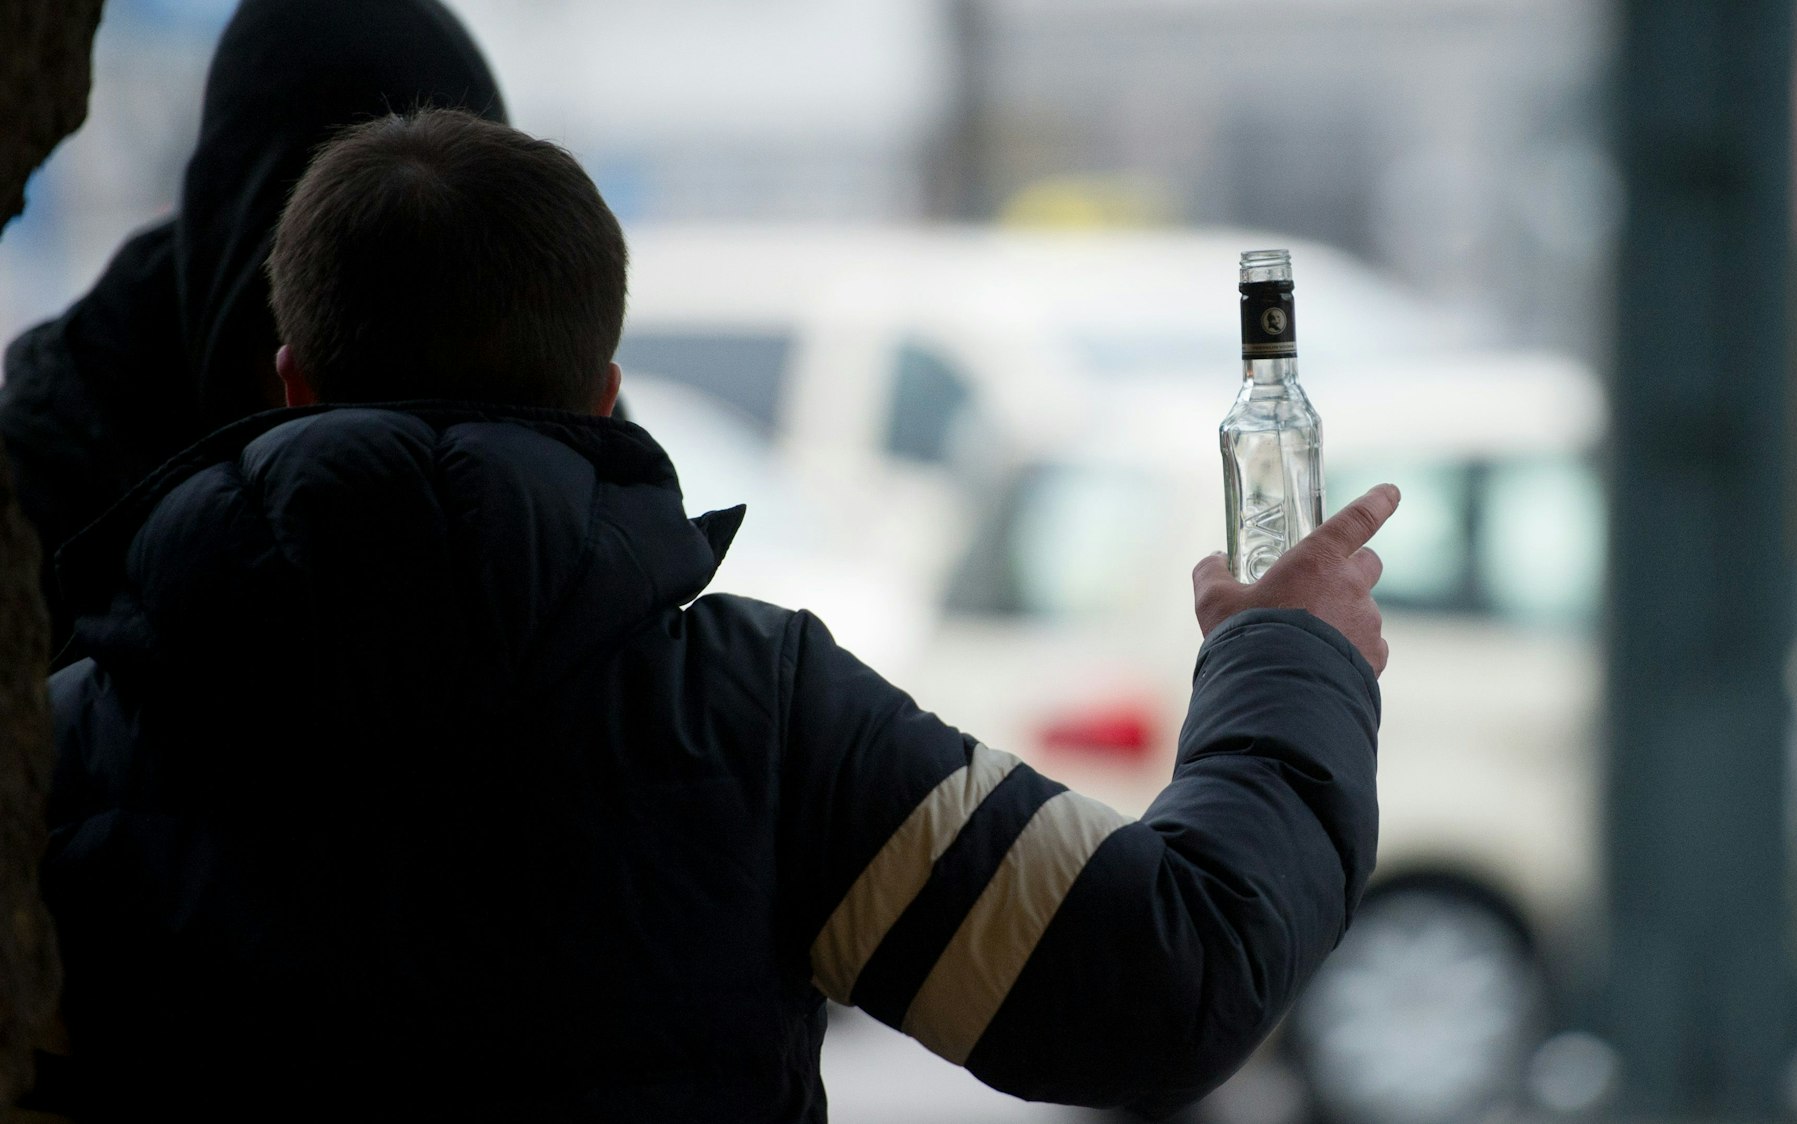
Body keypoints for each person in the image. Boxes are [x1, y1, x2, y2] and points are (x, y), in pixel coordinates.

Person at [35, 108, 1396, 1122]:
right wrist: (1294, 654)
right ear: (607, 389)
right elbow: (1167, 980)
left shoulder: (68, 743)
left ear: (287, 385)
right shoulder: (760, 719)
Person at [0, 0, 507, 663]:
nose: (405, 418)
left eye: (445, 330)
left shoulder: (553, 469)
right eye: (351, 342)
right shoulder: (51, 503)